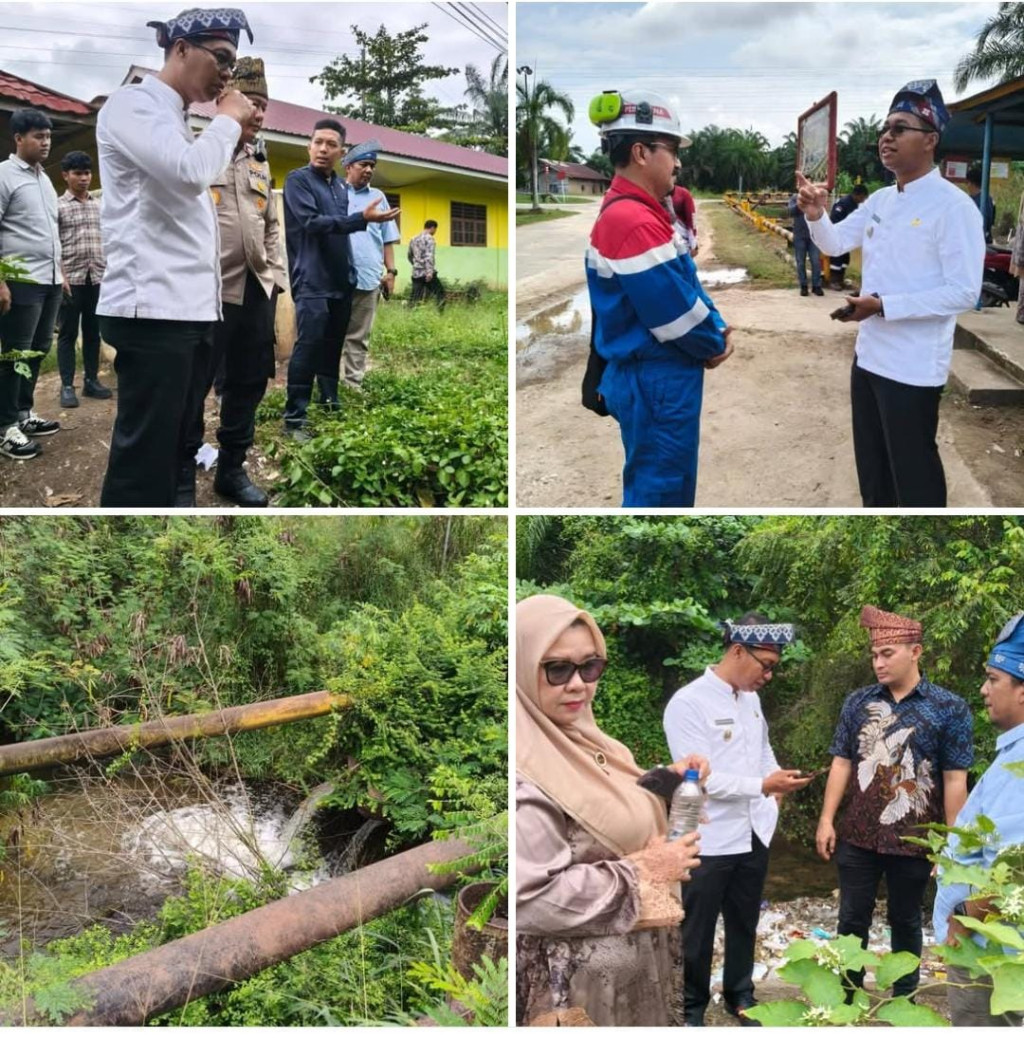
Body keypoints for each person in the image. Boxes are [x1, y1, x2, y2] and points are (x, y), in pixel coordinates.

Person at [516, 593, 707, 1027]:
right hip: (576, 987)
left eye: (590, 666)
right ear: (524, 669)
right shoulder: (525, 774)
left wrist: (670, 780)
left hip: (632, 968)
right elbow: (532, 899)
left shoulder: (592, 743)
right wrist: (641, 872)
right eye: (557, 669)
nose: (578, 684)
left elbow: (607, 804)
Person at [95, 7, 257, 506]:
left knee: (171, 447)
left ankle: (169, 515)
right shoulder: (133, 103)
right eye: (221, 57)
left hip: (187, 312)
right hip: (154, 312)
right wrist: (227, 120)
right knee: (143, 461)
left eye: (233, 62)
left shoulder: (175, 120)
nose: (227, 73)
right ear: (181, 49)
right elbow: (190, 173)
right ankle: (129, 540)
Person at [796, 79, 984, 508]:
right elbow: (834, 244)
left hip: (912, 369)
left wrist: (884, 307)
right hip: (868, 359)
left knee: (914, 480)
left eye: (900, 128)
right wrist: (816, 215)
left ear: (930, 140)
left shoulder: (954, 208)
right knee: (874, 475)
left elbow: (963, 292)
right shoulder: (880, 201)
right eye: (885, 129)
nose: (887, 137)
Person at [815, 605, 973, 1001]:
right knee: (851, 919)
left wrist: (952, 843)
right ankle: (847, 996)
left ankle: (905, 999)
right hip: (858, 834)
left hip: (915, 838)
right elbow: (842, 762)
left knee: (906, 920)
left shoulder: (950, 708)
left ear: (915, 651)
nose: (878, 663)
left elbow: (955, 780)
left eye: (887, 654)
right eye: (874, 655)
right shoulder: (858, 703)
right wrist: (826, 819)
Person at [663, 614, 813, 1026]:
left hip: (754, 831)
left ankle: (741, 995)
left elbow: (763, 752)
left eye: (774, 667)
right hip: (709, 837)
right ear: (736, 651)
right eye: (765, 665)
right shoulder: (688, 703)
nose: (768, 675)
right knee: (697, 929)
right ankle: (691, 1007)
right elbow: (700, 779)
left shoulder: (750, 700)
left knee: (745, 920)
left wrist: (777, 784)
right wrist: (763, 785)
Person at [585, 89, 732, 507]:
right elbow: (675, 315)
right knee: (660, 494)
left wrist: (717, 325)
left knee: (670, 485)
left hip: (658, 376)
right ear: (641, 153)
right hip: (655, 381)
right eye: (672, 150)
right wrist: (714, 341)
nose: (678, 162)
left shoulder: (643, 212)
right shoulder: (631, 220)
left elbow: (685, 281)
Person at [189, 55, 287, 507]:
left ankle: (231, 469)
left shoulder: (259, 161)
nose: (259, 113)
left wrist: (275, 276)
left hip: (255, 288)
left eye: (264, 105)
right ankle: (181, 468)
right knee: (194, 382)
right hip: (207, 290)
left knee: (249, 382)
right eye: (251, 103)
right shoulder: (197, 151)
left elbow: (272, 225)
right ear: (225, 101)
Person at [933, 612, 1024, 1027]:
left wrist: (964, 917)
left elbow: (1015, 866)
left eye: (993, 679)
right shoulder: (1011, 754)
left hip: (990, 957)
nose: (984, 690)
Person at [281, 119, 399, 438]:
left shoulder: (339, 187)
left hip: (340, 280)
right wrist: (361, 219)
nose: (323, 149)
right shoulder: (298, 181)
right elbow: (312, 223)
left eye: (330, 144)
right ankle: (295, 418)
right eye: (318, 142)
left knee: (333, 345)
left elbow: (340, 234)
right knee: (309, 346)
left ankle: (329, 402)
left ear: (340, 152)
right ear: (309, 146)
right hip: (311, 280)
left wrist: (351, 270)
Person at [0, 108, 62, 461]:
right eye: (39, 136)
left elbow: (50, 231)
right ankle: (5, 425)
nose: (46, 142)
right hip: (20, 279)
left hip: (50, 279)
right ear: (19, 138)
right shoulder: (4, 176)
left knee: (38, 348)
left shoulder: (45, 179)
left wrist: (61, 274)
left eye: (48, 136)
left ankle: (24, 413)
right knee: (16, 354)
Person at [340, 139, 400, 388]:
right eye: (363, 164)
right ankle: (328, 386)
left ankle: (353, 384)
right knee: (330, 334)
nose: (368, 170)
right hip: (336, 277)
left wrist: (391, 272)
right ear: (349, 167)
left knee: (359, 336)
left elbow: (387, 239)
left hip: (368, 277)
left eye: (372, 166)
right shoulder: (336, 193)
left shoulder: (378, 197)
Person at [56, 150, 110, 409]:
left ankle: (91, 380)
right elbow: (54, 245)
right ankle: (67, 386)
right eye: (78, 173)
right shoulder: (58, 207)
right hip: (71, 279)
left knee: (92, 332)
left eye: (87, 173)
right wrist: (61, 276)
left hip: (96, 277)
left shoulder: (99, 205)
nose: (84, 178)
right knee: (67, 333)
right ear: (65, 176)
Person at [827, 184, 869, 290]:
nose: (863, 200)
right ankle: (833, 281)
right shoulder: (843, 203)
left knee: (845, 259)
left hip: (847, 238)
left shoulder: (856, 205)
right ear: (857, 195)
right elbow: (834, 220)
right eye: (863, 197)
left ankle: (840, 280)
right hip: (838, 236)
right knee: (837, 259)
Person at [788, 190, 824, 296]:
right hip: (799, 235)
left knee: (815, 261)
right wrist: (801, 204)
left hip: (814, 235)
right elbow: (791, 212)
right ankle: (803, 286)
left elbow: (821, 213)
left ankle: (816, 286)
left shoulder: (815, 198)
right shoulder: (795, 198)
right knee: (800, 262)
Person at [408, 220, 444, 307]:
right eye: (435, 229)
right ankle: (440, 313)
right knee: (440, 293)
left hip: (416, 273)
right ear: (433, 228)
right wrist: (429, 272)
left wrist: (416, 264)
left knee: (415, 297)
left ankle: (410, 312)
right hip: (426, 272)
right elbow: (429, 256)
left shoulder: (413, 238)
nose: (435, 232)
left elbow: (410, 255)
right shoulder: (430, 239)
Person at [965, 166, 995, 245]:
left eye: (967, 182)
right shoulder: (970, 199)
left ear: (971, 183)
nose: (967, 185)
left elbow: (987, 220)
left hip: (980, 240)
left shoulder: (984, 200)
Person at [668, 182, 699, 257]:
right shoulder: (654, 194)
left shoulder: (683, 194)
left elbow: (691, 218)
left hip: (682, 239)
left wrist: (693, 244)